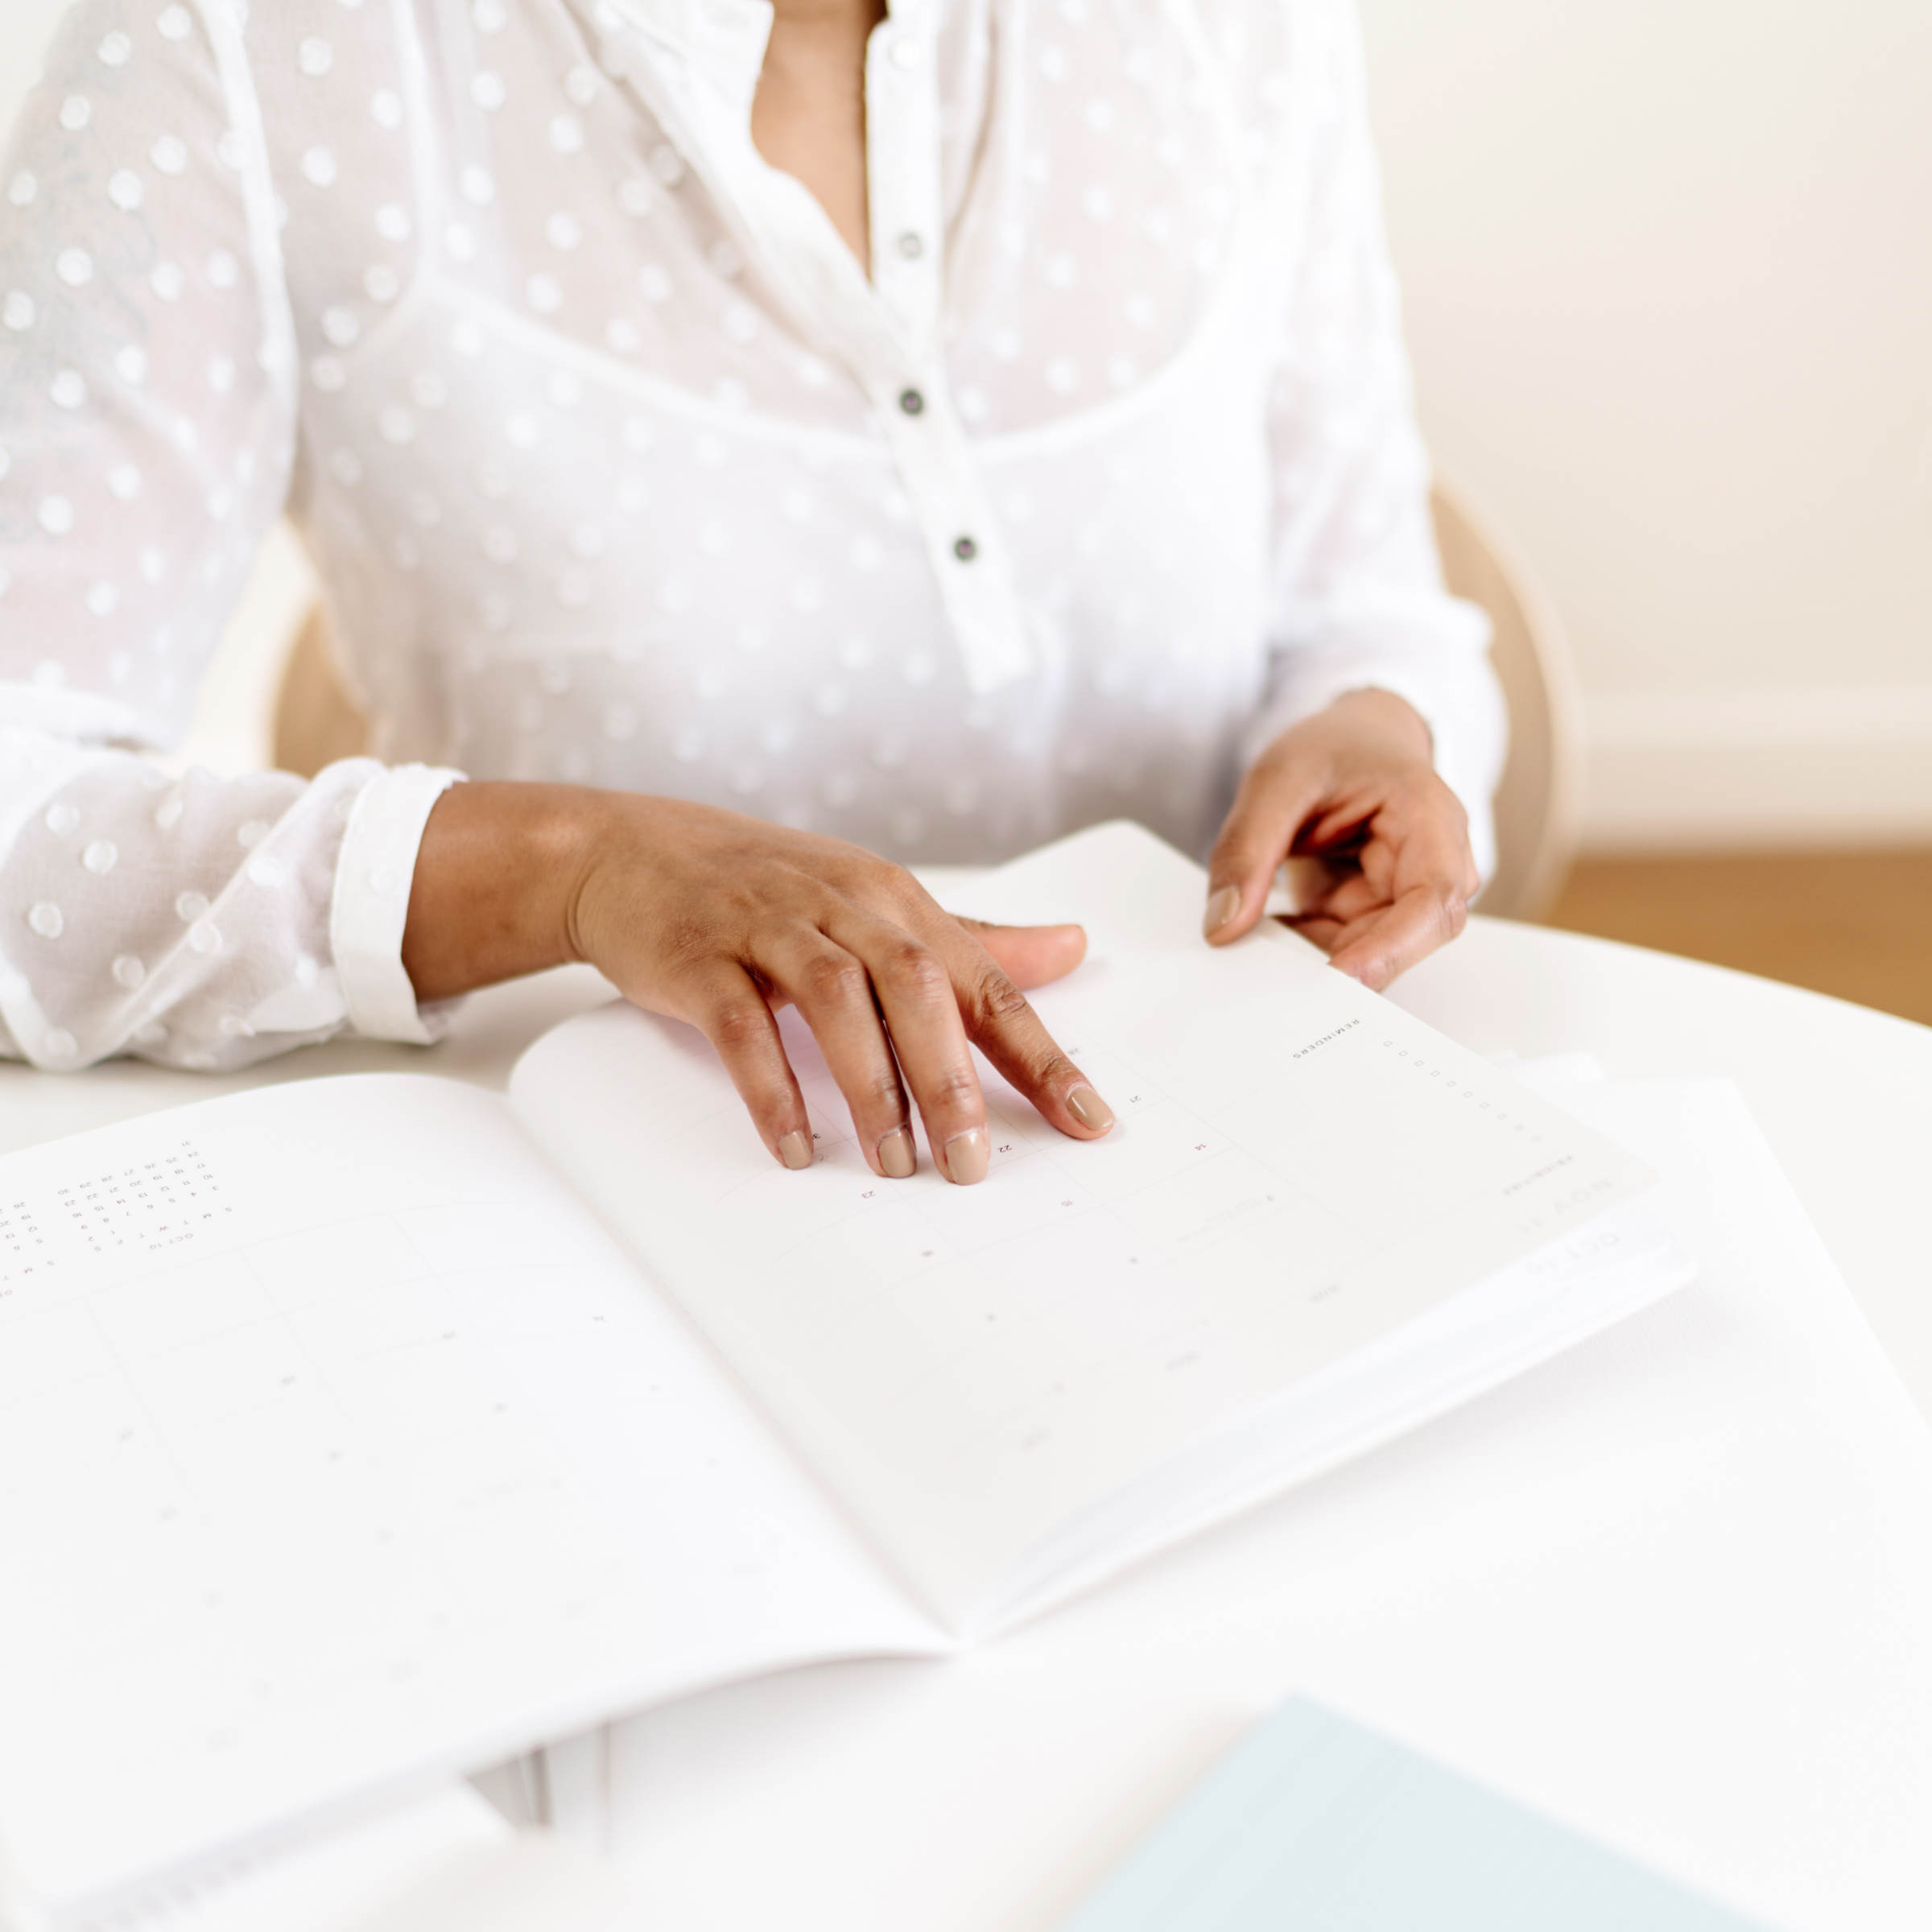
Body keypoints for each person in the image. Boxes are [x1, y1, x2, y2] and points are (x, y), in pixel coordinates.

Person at [0, 0, 1501, 1185]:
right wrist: (563, 866)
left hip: (1220, 1165)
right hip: (635, 1224)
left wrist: (1385, 726)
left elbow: (1361, 594)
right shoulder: (243, 47)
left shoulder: (1238, 27)